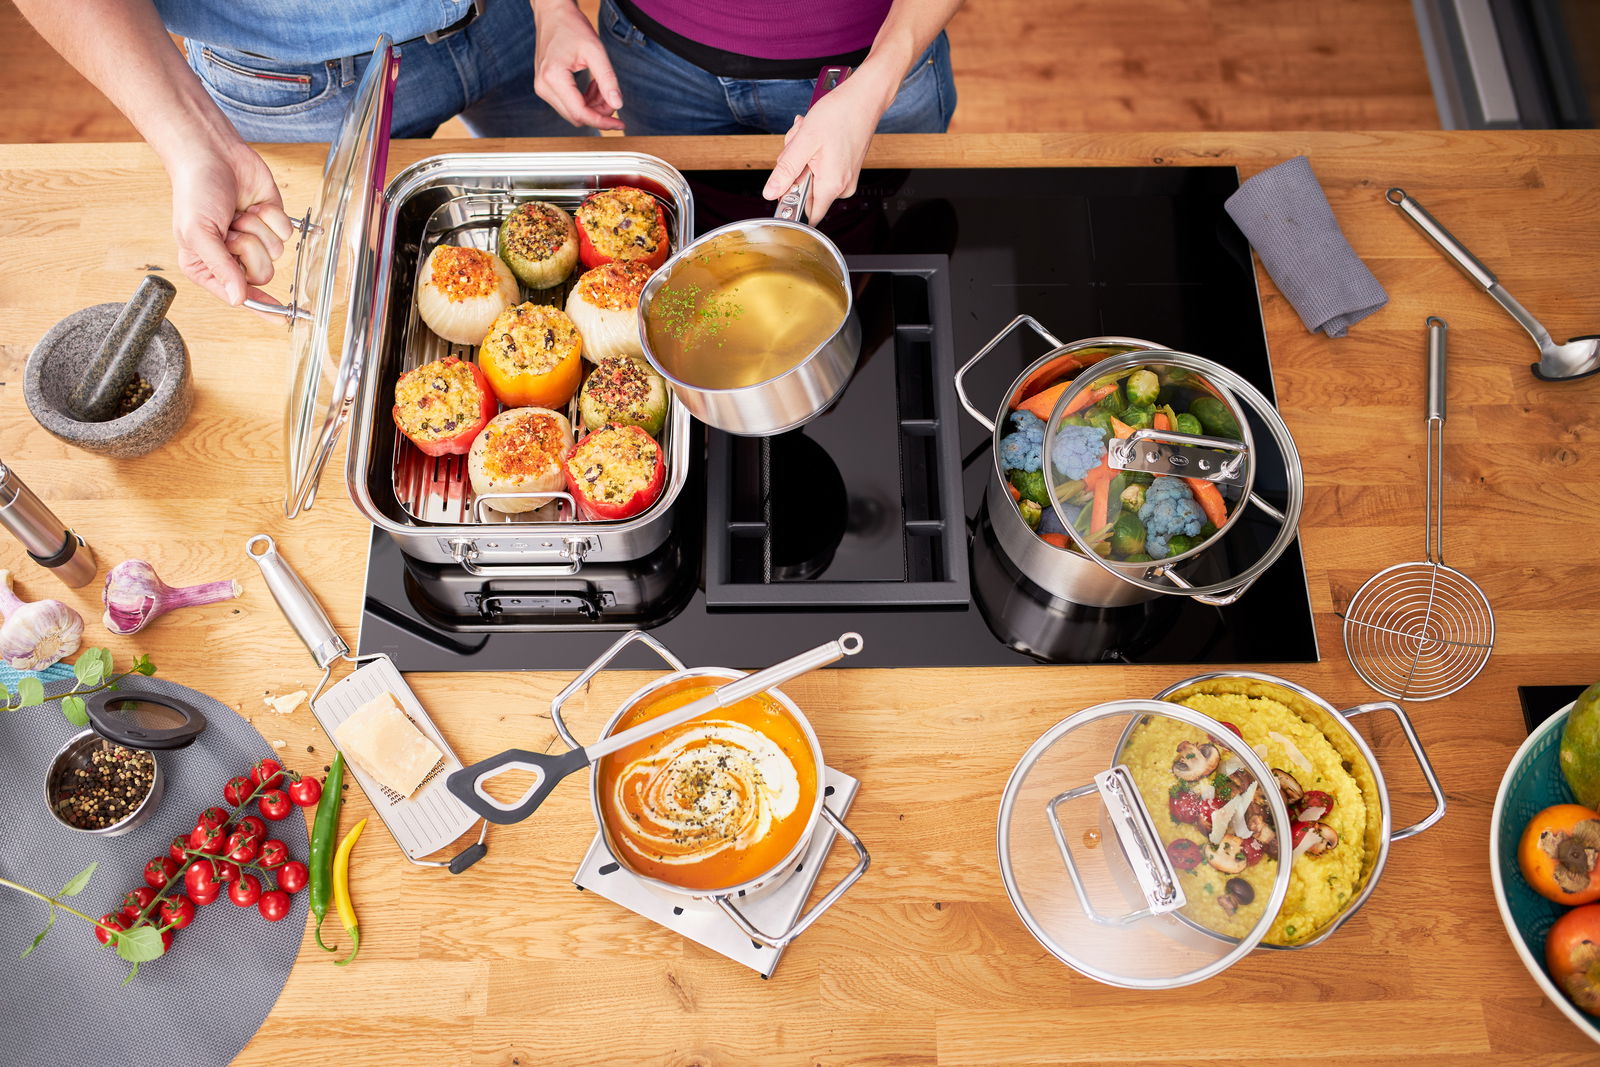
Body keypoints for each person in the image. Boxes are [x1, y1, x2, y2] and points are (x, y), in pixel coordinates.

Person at [14, 0, 577, 307]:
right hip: (294, 82)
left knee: (565, 208)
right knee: (352, 293)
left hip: (514, 19)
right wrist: (194, 146)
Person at [532, 0, 963, 221]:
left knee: (881, 221)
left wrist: (875, 85)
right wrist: (551, 8)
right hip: (651, 62)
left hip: (870, 68)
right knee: (679, 219)